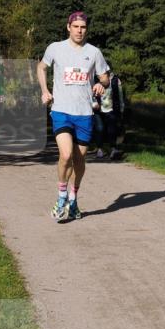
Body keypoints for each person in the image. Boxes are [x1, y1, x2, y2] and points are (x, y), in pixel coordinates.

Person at [37, 12, 109, 221]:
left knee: (79, 160)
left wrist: (100, 84)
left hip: (84, 113)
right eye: (75, 26)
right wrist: (44, 89)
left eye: (83, 27)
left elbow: (105, 77)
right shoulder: (55, 48)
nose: (79, 30)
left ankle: (73, 199)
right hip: (61, 111)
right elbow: (41, 67)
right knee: (66, 155)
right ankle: (60, 200)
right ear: (68, 27)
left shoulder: (94, 52)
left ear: (87, 29)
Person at [93, 71, 125, 159]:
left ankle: (113, 149)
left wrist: (121, 109)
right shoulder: (94, 79)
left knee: (112, 129)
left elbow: (120, 95)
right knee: (99, 128)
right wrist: (93, 104)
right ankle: (100, 149)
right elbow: (90, 94)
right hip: (98, 109)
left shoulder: (115, 80)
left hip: (111, 109)